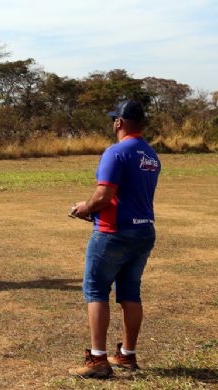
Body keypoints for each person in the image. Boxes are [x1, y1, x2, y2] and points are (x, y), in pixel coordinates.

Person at [68, 99, 161, 379]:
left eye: (114, 119)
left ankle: (98, 360)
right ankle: (127, 355)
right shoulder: (151, 155)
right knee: (130, 292)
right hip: (143, 231)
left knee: (96, 291)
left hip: (113, 232)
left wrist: (84, 208)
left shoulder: (115, 152)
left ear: (119, 122)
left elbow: (103, 195)